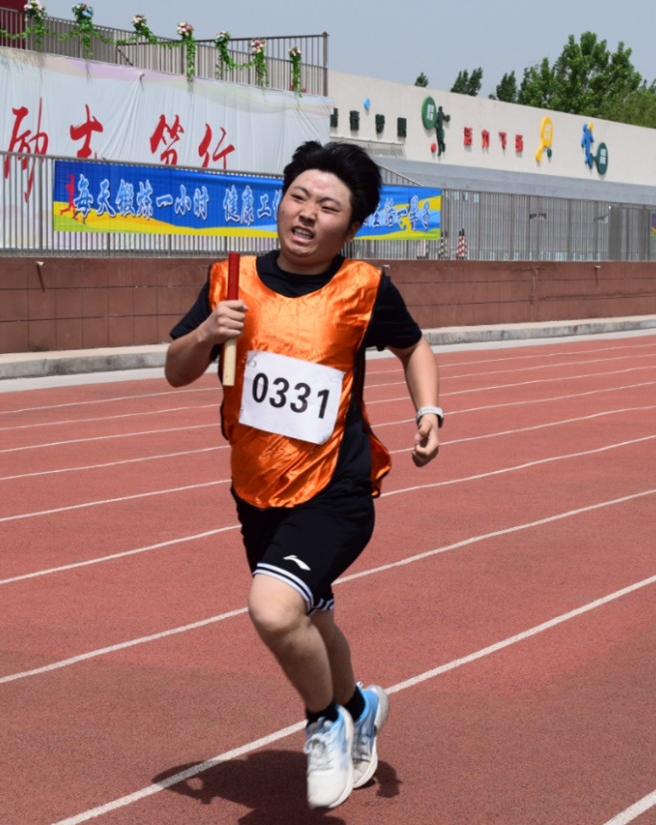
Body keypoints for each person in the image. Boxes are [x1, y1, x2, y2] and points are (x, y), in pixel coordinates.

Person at [164, 140, 442, 810]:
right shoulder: (230, 280)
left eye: (328, 206)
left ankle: (325, 722)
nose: (307, 213)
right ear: (282, 200)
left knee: (272, 607)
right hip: (256, 486)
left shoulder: (363, 288)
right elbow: (175, 370)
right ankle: (359, 706)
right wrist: (205, 334)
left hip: (336, 487)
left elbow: (413, 346)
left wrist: (428, 410)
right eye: (298, 197)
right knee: (309, 620)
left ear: (351, 225)